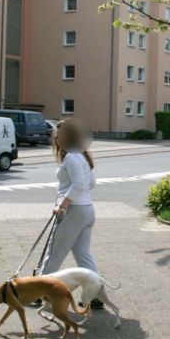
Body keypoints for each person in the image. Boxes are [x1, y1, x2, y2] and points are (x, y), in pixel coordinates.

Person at [38, 118, 103, 309]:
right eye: (56, 137)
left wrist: (62, 205)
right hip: (86, 210)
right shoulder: (82, 155)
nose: (57, 140)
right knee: (83, 255)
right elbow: (90, 183)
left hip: (73, 212)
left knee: (54, 253)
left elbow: (80, 184)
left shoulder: (72, 158)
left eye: (60, 136)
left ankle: (38, 291)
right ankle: (96, 295)